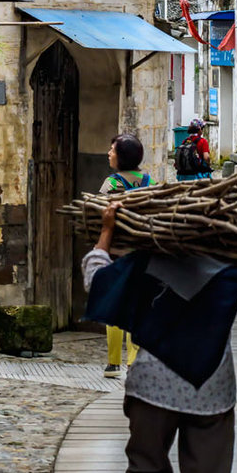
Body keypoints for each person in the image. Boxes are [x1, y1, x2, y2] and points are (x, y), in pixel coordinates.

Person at [82, 206, 237, 473]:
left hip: (152, 386)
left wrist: (106, 233)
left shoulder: (148, 265)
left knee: (145, 472)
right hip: (212, 389)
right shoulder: (231, 270)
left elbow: (96, 280)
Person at [99, 133, 153, 378]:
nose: (109, 153)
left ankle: (113, 363)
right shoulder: (148, 181)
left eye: (112, 150)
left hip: (116, 252)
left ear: (121, 157)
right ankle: (133, 361)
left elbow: (100, 214)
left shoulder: (111, 184)